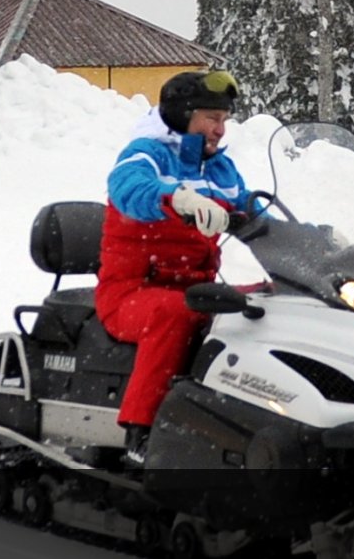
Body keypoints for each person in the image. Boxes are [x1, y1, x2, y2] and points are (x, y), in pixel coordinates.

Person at [95, 70, 250, 466]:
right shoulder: (146, 153)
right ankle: (142, 432)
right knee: (174, 315)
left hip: (197, 289)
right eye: (212, 119)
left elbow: (254, 209)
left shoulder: (218, 168)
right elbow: (128, 190)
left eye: (224, 120)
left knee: (260, 308)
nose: (220, 129)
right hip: (131, 292)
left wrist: (311, 238)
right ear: (183, 115)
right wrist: (176, 199)